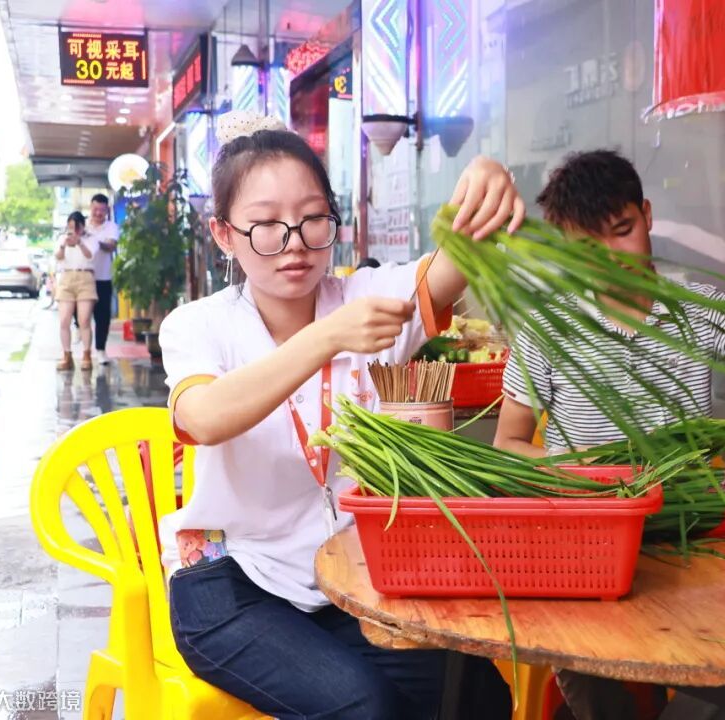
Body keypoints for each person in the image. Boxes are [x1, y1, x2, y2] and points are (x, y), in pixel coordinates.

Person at [159, 111, 524, 720]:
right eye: (266, 225)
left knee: (476, 694)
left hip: (347, 578)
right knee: (365, 706)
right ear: (224, 234)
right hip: (231, 584)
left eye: (312, 218)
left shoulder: (364, 299)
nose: (295, 242)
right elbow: (204, 418)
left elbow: (461, 258)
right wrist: (327, 338)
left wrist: (487, 175)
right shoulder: (198, 325)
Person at [492, 150, 725, 720]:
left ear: (647, 215)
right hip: (589, 545)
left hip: (689, 539)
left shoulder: (696, 310)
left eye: (623, 231)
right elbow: (507, 443)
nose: (613, 259)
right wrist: (574, 468)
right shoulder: (548, 327)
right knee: (591, 673)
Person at [54, 211, 99, 372]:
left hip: (85, 277)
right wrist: (64, 245)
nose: (74, 231)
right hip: (67, 277)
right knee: (64, 319)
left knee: (84, 319)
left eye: (77, 227)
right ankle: (67, 355)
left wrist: (79, 242)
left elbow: (90, 256)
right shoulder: (62, 238)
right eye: (71, 227)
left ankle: (87, 355)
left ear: (82, 226)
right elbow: (58, 257)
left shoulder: (91, 238)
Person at [86, 192, 120, 365]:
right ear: (90, 208)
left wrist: (96, 242)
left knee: (102, 317)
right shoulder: (83, 225)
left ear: (107, 210)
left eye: (102, 210)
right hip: (84, 277)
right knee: (82, 314)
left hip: (103, 278)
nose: (98, 213)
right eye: (95, 209)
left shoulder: (111, 227)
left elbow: (111, 246)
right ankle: (85, 349)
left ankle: (100, 350)